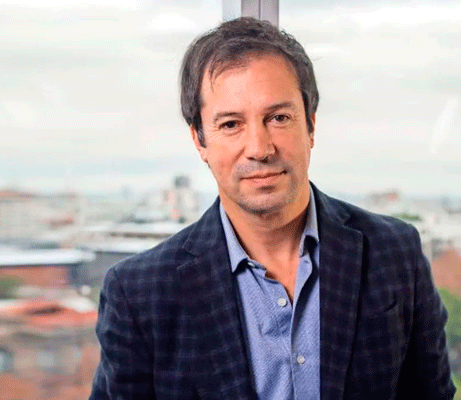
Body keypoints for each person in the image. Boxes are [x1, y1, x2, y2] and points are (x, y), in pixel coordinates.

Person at [89, 17, 456, 400]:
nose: (260, 149)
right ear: (200, 141)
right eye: (231, 124)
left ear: (310, 125)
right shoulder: (139, 294)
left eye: (278, 118)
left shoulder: (395, 252)